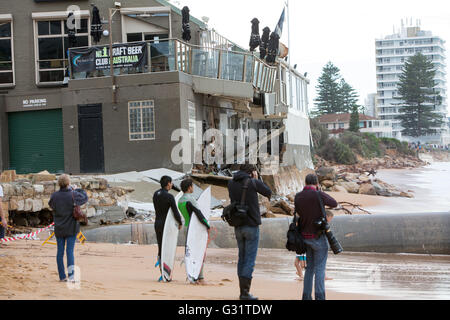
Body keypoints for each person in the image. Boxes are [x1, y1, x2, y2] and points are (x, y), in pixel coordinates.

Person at [228, 164, 272, 300]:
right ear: (252, 172)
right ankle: (245, 293)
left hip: (238, 225)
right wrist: (257, 179)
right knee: (249, 260)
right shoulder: (252, 182)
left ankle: (242, 291)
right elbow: (268, 192)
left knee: (242, 258)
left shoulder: (231, 183)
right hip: (251, 225)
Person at [294, 174, 338, 300]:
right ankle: (320, 296)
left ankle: (306, 296)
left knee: (309, 269)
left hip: (304, 237)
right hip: (318, 237)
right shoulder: (318, 194)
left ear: (305, 182)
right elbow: (333, 203)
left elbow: (299, 213)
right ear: (317, 183)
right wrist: (320, 192)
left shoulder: (298, 196)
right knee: (319, 269)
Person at [48, 174, 88, 282]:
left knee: (60, 252)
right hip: (71, 228)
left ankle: (62, 277)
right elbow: (85, 197)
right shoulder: (73, 194)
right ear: (68, 183)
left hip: (59, 227)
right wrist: (77, 189)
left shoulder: (54, 196)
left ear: (59, 184)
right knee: (69, 252)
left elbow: (51, 205)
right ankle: (71, 276)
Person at [178, 178, 211, 285]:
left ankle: (191, 275)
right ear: (189, 187)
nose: (193, 188)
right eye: (192, 186)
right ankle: (200, 277)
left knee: (190, 253)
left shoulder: (180, 200)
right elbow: (198, 213)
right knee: (199, 252)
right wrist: (207, 225)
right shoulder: (190, 199)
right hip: (194, 230)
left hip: (186, 228)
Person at [153, 176, 183, 281]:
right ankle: (166, 274)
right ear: (168, 184)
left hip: (157, 223)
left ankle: (162, 273)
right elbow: (175, 212)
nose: (171, 185)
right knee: (167, 248)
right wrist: (179, 222)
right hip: (166, 226)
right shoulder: (170, 197)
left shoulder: (155, 194)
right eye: (171, 183)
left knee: (161, 247)